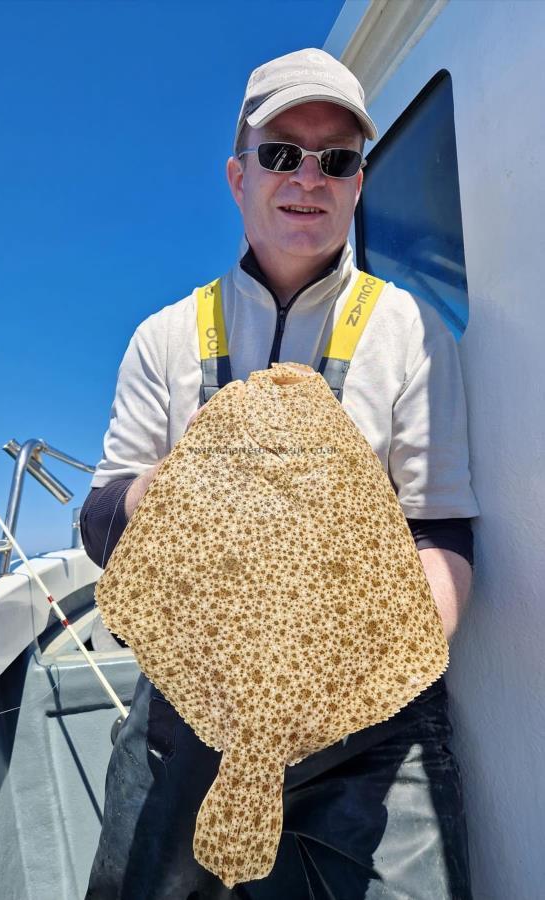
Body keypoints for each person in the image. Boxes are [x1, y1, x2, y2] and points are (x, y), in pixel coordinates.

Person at [81, 48, 479, 900]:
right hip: (187, 705)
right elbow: (101, 515)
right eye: (281, 153)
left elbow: (437, 534)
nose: (309, 176)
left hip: (362, 729)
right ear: (237, 175)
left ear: (358, 182)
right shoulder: (165, 336)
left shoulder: (409, 331)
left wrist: (356, 684)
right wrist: (176, 484)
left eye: (336, 159)